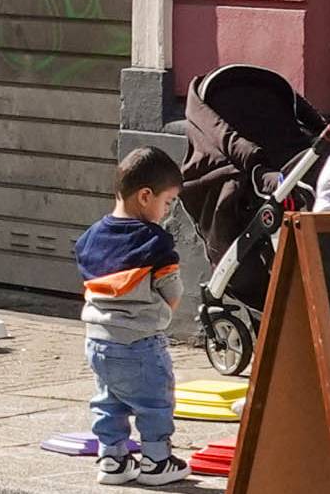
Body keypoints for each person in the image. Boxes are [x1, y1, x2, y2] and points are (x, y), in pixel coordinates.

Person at [74, 147, 189, 487]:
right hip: (140, 343)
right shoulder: (154, 242)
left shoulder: (91, 238)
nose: (167, 212)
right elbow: (172, 288)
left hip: (96, 341)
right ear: (145, 196)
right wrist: (163, 311)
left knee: (108, 399)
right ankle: (156, 460)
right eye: (167, 202)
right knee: (155, 401)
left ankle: (113, 458)